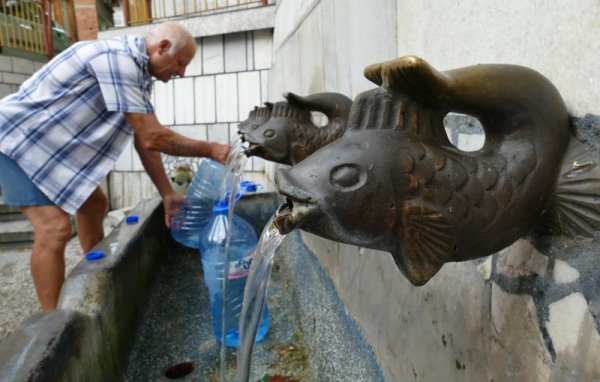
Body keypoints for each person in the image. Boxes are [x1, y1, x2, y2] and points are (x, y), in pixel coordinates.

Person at [0, 22, 230, 311]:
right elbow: (153, 137)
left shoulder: (137, 73)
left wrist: (168, 195)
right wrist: (211, 149)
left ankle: (95, 279)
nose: (181, 73)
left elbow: (143, 141)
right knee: (55, 228)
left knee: (95, 204)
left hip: (51, 148)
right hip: (19, 140)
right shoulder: (116, 60)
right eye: (180, 64)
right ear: (161, 48)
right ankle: (53, 324)